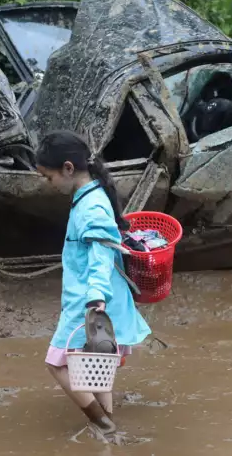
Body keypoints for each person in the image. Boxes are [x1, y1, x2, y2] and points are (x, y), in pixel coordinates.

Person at [36, 130, 152, 436]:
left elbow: (101, 254)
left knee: (56, 363)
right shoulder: (91, 194)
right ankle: (108, 426)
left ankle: (104, 424)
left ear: (68, 169)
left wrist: (96, 298)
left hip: (88, 298)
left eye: (48, 177)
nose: (47, 184)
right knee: (95, 365)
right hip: (96, 293)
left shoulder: (91, 207)